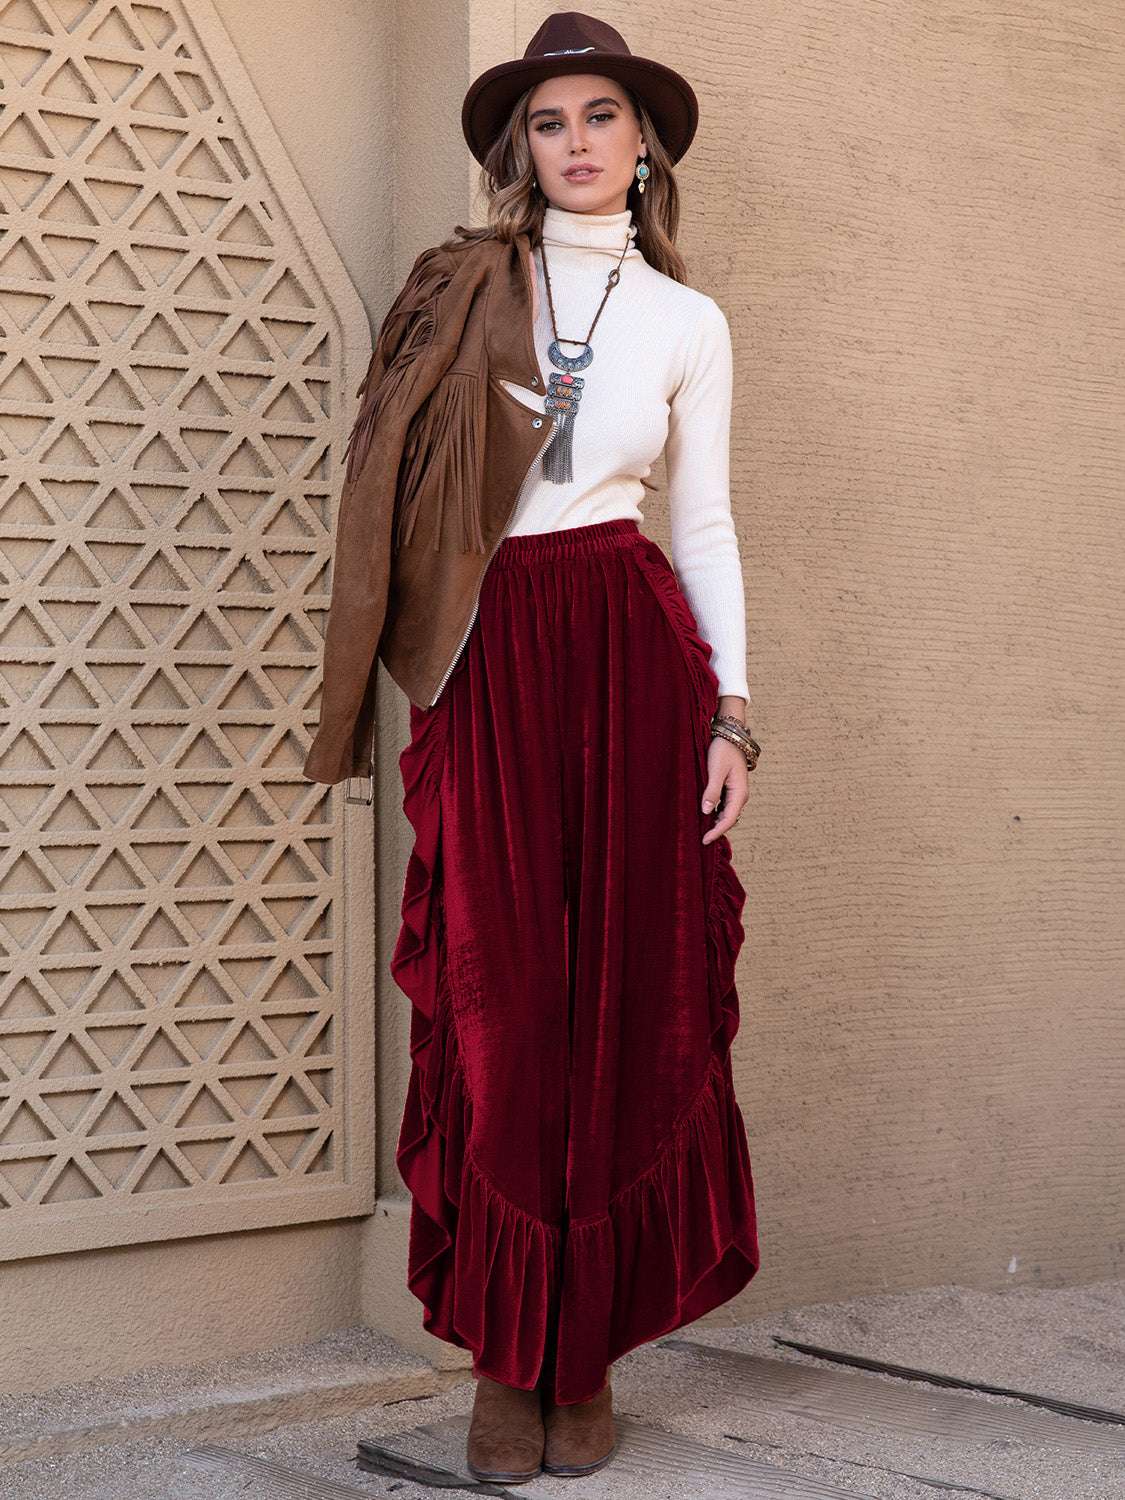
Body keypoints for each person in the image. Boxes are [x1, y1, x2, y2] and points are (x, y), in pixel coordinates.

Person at [310, 12, 763, 1485]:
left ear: (645, 149)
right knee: (503, 1011)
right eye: (551, 121)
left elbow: (698, 520)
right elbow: (389, 481)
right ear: (524, 149)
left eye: (602, 118)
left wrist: (730, 711)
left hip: (629, 651)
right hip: (488, 651)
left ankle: (588, 1360)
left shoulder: (689, 323)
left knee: (627, 1000)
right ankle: (509, 1356)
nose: (576, 142)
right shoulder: (456, 287)